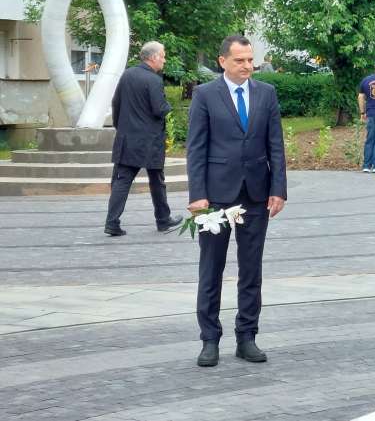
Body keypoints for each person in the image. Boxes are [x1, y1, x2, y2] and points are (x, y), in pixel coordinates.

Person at [187, 35, 288, 368]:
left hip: (256, 195)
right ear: (222, 61)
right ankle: (209, 340)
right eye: (240, 60)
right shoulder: (205, 95)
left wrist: (279, 188)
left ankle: (247, 337)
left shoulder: (266, 94)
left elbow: (276, 145)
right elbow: (196, 149)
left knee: (251, 270)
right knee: (211, 268)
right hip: (215, 197)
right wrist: (197, 196)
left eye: (250, 60)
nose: (247, 66)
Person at [104, 41, 182, 237]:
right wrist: (168, 107)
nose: (164, 59)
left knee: (122, 181)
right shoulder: (153, 80)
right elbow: (159, 109)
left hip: (127, 139)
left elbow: (116, 104)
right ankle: (163, 220)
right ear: (153, 57)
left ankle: (112, 222)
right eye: (163, 55)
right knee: (157, 180)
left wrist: (121, 127)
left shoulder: (127, 74)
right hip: (150, 141)